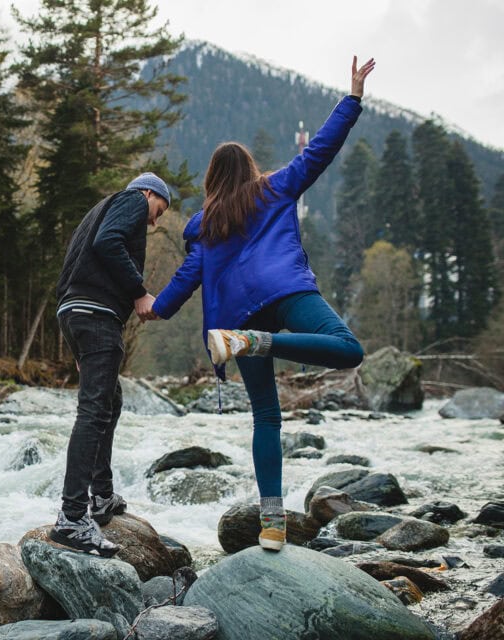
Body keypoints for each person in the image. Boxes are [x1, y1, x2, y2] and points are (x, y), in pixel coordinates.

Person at [145, 57, 375, 552]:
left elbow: (186, 280)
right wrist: (351, 99)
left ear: (211, 179)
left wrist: (153, 307)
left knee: (266, 417)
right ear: (249, 169)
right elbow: (320, 150)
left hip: (236, 323)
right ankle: (260, 344)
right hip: (286, 293)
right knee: (348, 348)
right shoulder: (274, 188)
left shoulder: (204, 227)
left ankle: (272, 525)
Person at [51, 172, 171, 557]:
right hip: (96, 315)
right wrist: (139, 292)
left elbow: (72, 269)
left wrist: (75, 337)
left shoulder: (95, 212)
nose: (153, 222)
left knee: (110, 403)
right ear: (149, 192)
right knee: (93, 412)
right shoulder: (132, 200)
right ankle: (72, 517)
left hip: (74, 313)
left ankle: (101, 496)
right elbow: (109, 243)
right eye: (159, 210)